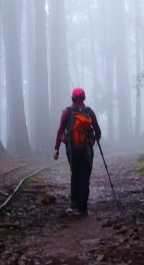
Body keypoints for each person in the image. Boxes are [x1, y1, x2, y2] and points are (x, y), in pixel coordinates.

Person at [53, 87, 102, 216]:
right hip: (86, 151)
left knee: (75, 173)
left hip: (72, 150)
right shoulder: (89, 112)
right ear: (84, 98)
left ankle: (74, 202)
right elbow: (98, 130)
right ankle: (83, 208)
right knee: (85, 177)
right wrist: (93, 140)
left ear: (72, 98)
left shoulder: (67, 112)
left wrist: (57, 148)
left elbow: (60, 131)